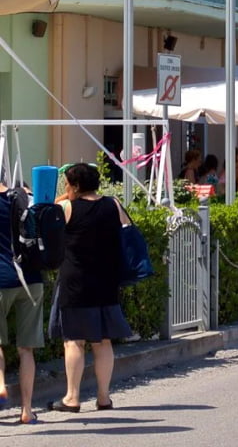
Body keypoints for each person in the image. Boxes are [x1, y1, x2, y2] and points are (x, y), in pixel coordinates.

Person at [49, 162, 132, 413]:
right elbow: (128, 229)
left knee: (74, 341)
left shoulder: (66, 207)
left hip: (76, 282)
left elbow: (45, 216)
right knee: (103, 341)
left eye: (67, 183)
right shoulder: (113, 204)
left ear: (75, 185)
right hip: (107, 280)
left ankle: (72, 398)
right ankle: (104, 397)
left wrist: (65, 196)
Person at [0, 180, 43, 424]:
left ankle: (0, 384)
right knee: (26, 349)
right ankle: (27, 410)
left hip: (1, 280)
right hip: (32, 279)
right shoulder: (27, 199)